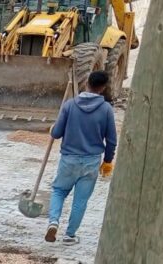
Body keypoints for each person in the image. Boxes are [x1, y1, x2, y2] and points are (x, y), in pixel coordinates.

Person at [45, 70, 118, 245]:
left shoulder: (70, 105)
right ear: (102, 88)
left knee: (59, 191)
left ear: (87, 83)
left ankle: (53, 221)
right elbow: (112, 140)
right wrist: (108, 161)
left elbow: (56, 133)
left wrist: (52, 128)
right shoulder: (106, 109)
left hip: (68, 159)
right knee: (80, 200)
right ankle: (69, 235)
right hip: (91, 161)